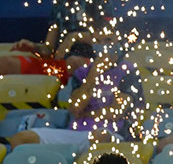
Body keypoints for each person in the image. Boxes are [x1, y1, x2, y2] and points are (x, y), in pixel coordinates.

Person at [8, 45, 143, 150]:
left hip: (112, 134)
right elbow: (75, 108)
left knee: (99, 136)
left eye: (108, 40)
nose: (104, 46)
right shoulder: (82, 73)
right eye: (99, 41)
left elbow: (115, 113)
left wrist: (87, 114)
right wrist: (94, 73)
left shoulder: (129, 72)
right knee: (22, 139)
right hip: (77, 135)